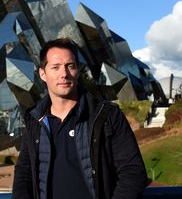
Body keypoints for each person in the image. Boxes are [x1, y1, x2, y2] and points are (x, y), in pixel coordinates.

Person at [13, 38, 147, 199]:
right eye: (55, 67)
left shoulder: (106, 115)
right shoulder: (35, 120)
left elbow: (132, 172)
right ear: (43, 74)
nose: (64, 74)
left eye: (70, 66)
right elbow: (24, 172)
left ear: (77, 70)